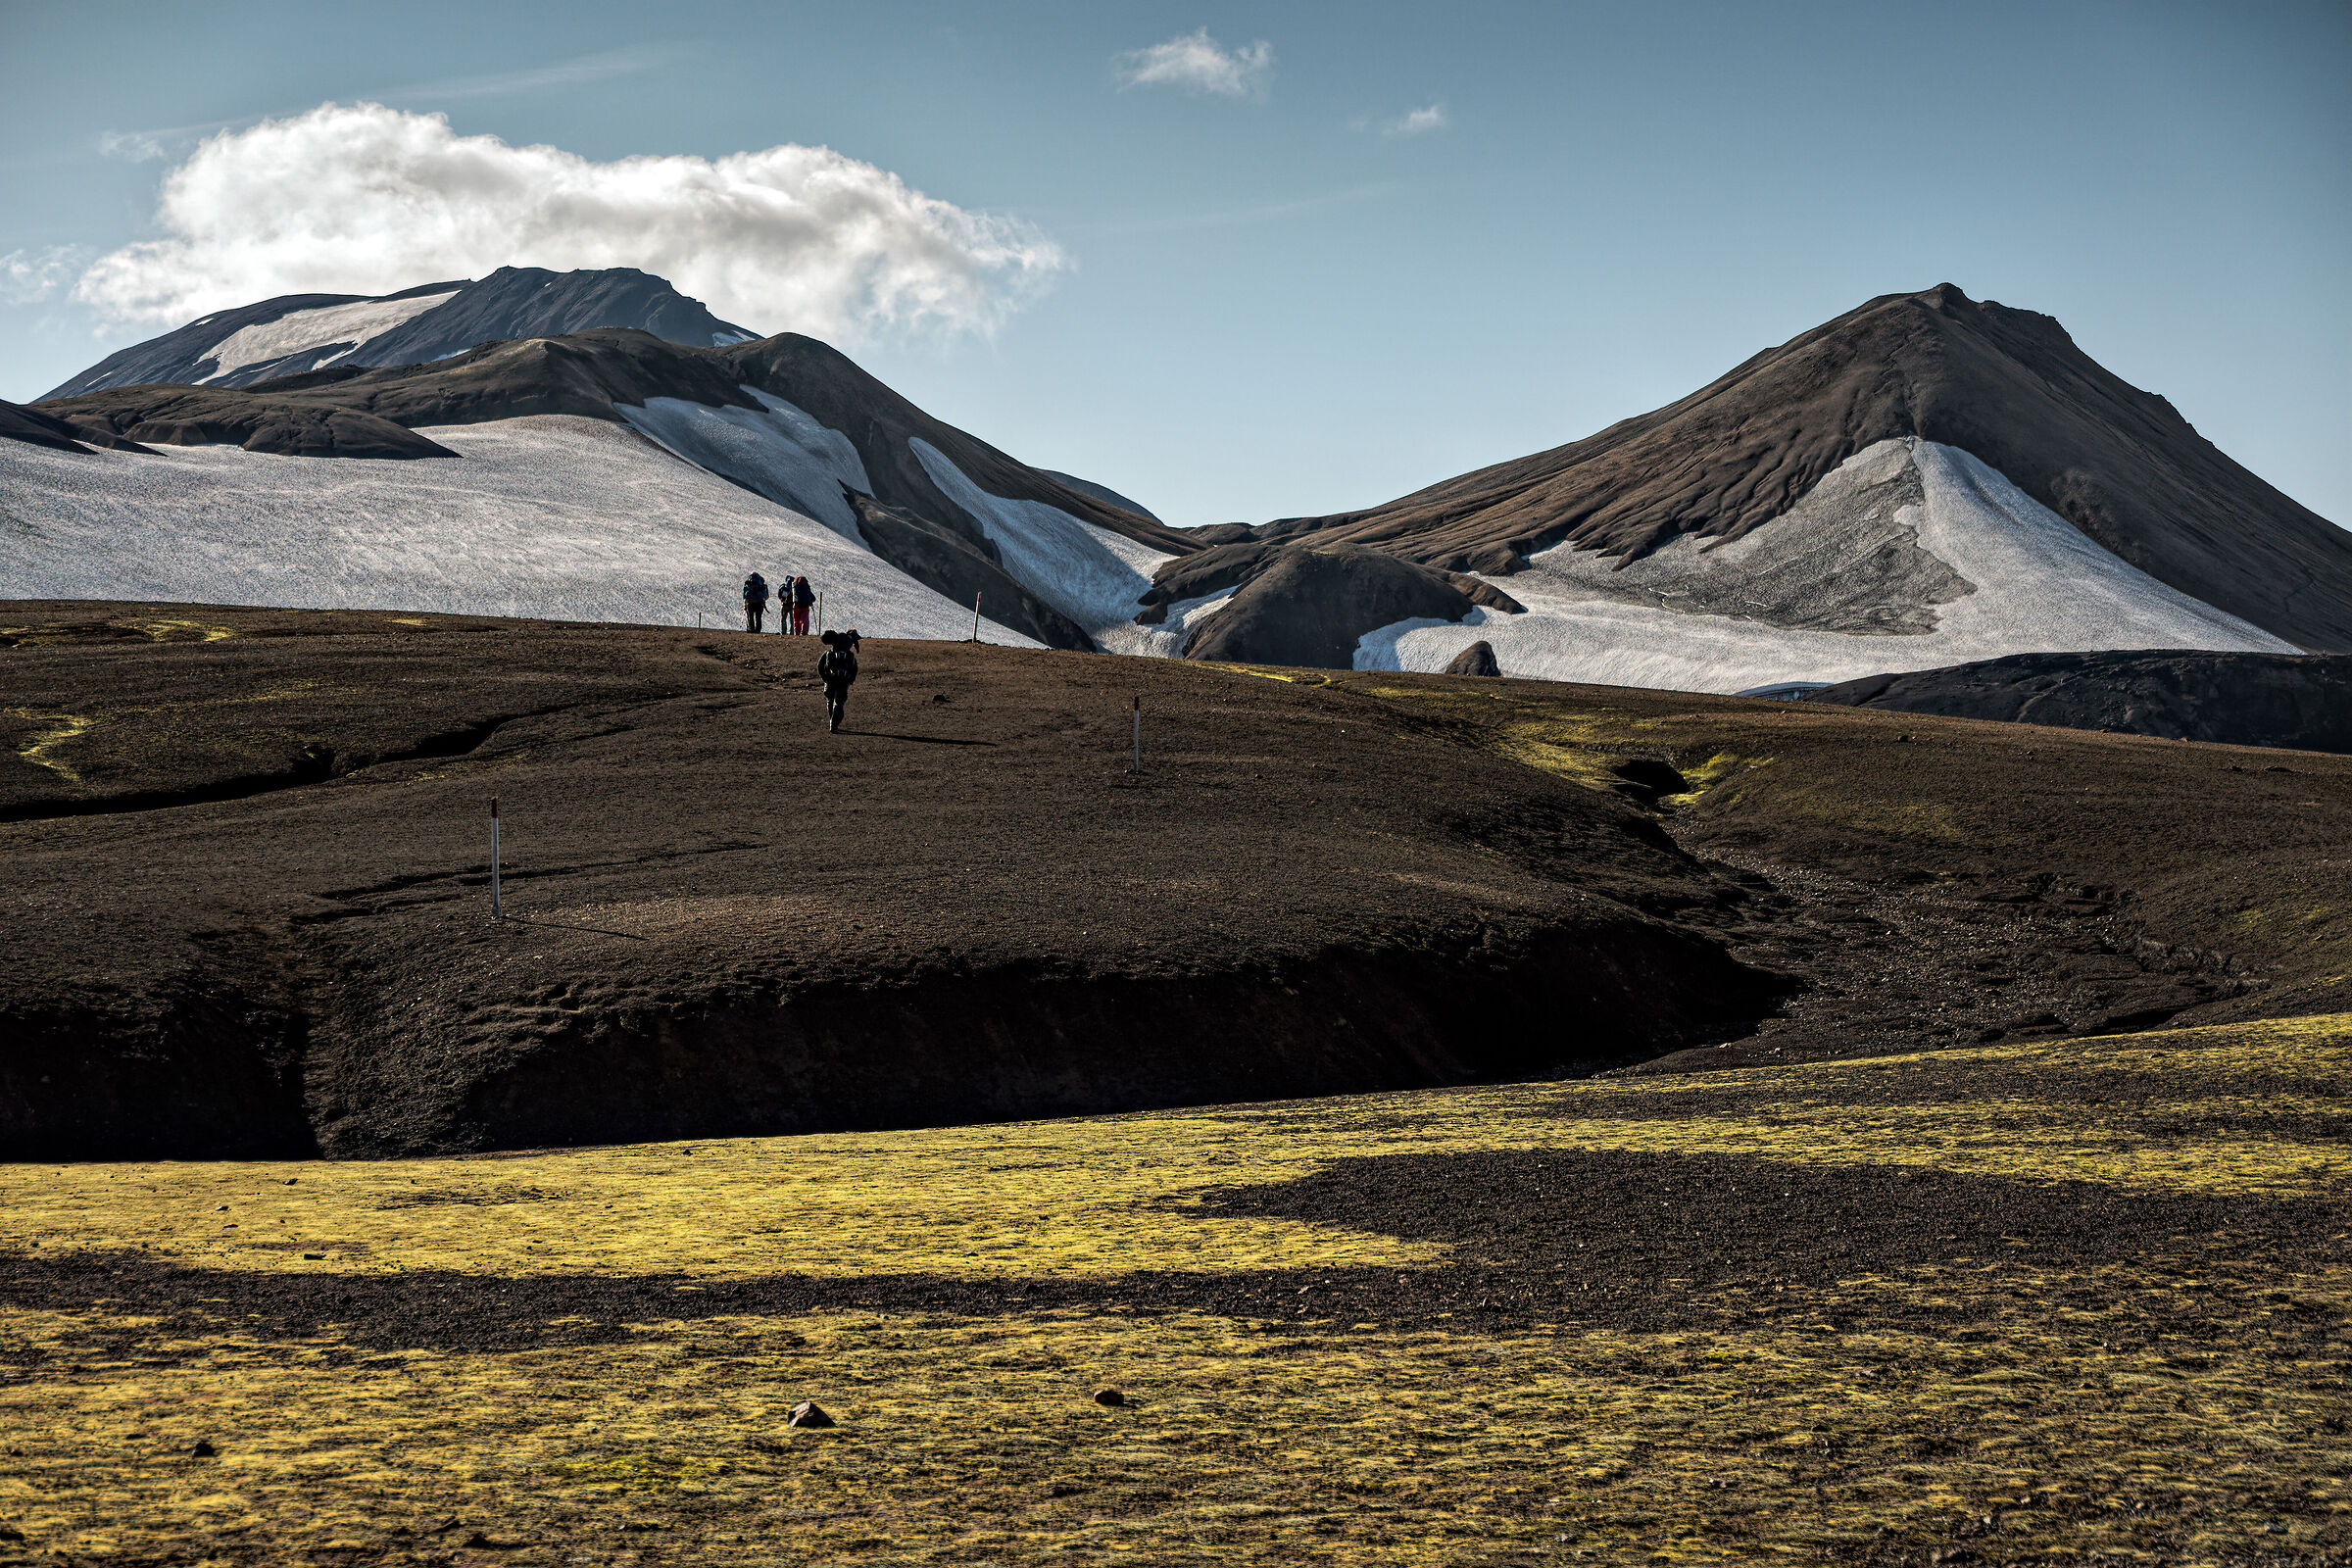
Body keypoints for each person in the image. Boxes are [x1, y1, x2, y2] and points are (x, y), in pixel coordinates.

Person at [817, 628, 859, 733]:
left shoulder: (829, 653)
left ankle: (832, 722)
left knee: (830, 701)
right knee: (839, 703)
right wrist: (851, 680)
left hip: (830, 681)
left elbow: (820, 666)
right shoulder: (850, 655)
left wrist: (825, 678)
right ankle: (834, 724)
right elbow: (854, 669)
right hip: (843, 681)